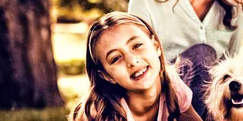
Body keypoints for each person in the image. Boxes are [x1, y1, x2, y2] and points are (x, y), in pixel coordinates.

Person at [69, 12, 202, 121]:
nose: (132, 60)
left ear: (155, 46)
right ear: (106, 76)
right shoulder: (99, 114)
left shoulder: (172, 87)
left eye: (137, 45)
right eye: (116, 58)